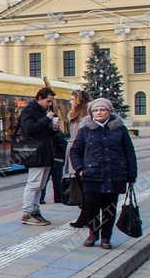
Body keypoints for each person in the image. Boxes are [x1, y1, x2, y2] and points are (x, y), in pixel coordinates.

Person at [69, 98, 137, 250]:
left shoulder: (119, 129)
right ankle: (93, 233)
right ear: (91, 113)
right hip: (91, 176)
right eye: (95, 110)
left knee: (109, 209)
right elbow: (75, 151)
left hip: (114, 176)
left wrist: (131, 175)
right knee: (91, 208)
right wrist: (80, 169)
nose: (99, 112)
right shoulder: (85, 130)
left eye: (102, 109)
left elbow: (129, 152)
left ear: (109, 111)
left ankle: (106, 237)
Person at [18, 87, 59, 225]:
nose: (50, 104)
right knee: (34, 184)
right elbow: (29, 129)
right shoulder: (29, 110)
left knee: (40, 185)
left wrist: (53, 129)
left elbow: (42, 132)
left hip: (44, 152)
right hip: (35, 153)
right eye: (48, 101)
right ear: (40, 98)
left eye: (51, 102)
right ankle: (27, 212)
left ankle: (35, 210)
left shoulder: (42, 111)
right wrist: (46, 119)